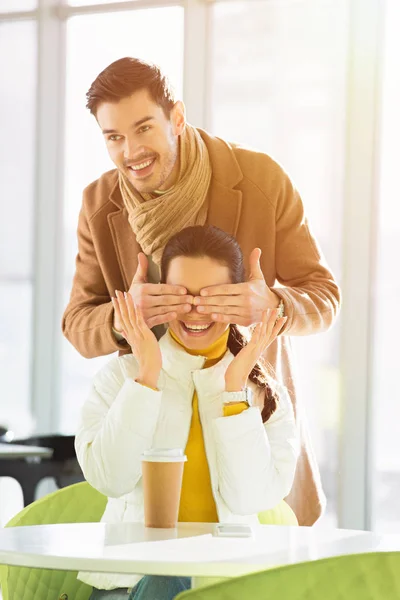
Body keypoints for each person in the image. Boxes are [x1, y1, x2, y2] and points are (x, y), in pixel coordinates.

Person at [63, 57, 341, 526]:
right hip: (156, 416)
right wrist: (123, 317)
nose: (130, 152)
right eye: (113, 137)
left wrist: (271, 305)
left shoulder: (260, 180)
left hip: (244, 410)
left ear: (177, 117)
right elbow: (77, 323)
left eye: (143, 128)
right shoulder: (98, 203)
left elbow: (324, 297)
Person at [75, 225, 299, 600]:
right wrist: (147, 374)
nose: (196, 309)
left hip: (223, 587)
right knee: (167, 579)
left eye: (213, 296)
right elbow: (109, 479)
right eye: (181, 295)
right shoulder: (120, 377)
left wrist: (233, 393)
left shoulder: (262, 393)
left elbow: (248, 500)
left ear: (237, 300)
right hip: (130, 586)